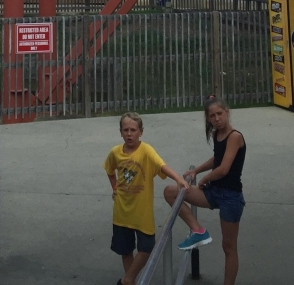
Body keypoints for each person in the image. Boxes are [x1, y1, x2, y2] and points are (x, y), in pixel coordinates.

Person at [164, 96, 246, 285]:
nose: (217, 118)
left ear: (227, 112)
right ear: (208, 119)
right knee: (171, 191)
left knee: (229, 247)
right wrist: (196, 171)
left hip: (231, 198)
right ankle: (198, 230)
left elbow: (223, 168)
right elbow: (216, 159)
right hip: (214, 193)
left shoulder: (235, 136)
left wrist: (204, 179)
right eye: (212, 116)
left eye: (219, 114)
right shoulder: (218, 135)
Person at [105, 112, 188, 285]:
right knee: (125, 250)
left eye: (133, 130)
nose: (129, 134)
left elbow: (161, 165)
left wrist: (178, 179)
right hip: (122, 212)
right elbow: (109, 170)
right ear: (120, 132)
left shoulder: (146, 151)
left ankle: (127, 280)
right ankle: (131, 282)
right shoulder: (115, 152)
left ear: (141, 132)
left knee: (147, 247)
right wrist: (114, 188)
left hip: (141, 212)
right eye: (125, 130)